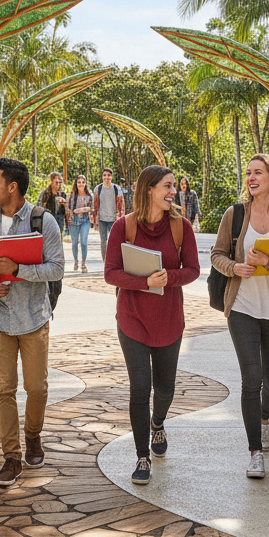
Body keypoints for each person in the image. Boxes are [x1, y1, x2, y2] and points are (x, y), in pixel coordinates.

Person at [0, 157, 65, 487]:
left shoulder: (43, 221)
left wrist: (18, 271)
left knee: (36, 388)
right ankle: (11, 457)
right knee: (3, 390)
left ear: (12, 187)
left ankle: (33, 435)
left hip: (34, 319)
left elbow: (57, 268)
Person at [211, 155, 269, 479]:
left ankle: (263, 419)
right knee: (251, 380)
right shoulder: (235, 215)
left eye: (258, 173)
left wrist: (268, 261)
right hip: (242, 308)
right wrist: (234, 267)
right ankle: (254, 451)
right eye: (248, 172)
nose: (251, 177)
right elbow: (217, 254)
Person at [104, 166, 200, 485]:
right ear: (149, 190)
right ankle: (142, 456)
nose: (173, 191)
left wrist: (168, 278)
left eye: (173, 186)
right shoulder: (124, 226)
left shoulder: (180, 226)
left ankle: (158, 423)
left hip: (170, 320)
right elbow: (110, 273)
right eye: (167, 186)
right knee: (140, 387)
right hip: (132, 319)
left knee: (166, 389)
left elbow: (194, 270)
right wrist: (144, 282)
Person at [94, 167, 126, 259]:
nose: (106, 177)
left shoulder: (116, 189)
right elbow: (95, 206)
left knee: (114, 241)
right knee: (103, 241)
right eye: (104, 175)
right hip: (102, 220)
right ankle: (105, 261)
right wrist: (95, 222)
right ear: (102, 177)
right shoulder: (98, 189)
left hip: (113, 220)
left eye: (108, 175)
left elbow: (121, 206)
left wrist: (121, 219)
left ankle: (114, 259)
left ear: (111, 177)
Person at [67, 174, 94, 272]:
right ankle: (76, 261)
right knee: (74, 243)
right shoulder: (72, 195)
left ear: (85, 184)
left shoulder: (89, 195)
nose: (81, 184)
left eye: (83, 182)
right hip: (74, 221)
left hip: (85, 221)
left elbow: (92, 208)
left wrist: (82, 209)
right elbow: (69, 208)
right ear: (76, 183)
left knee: (83, 242)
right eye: (79, 182)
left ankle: (83, 264)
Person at [37, 172, 68, 237]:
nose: (58, 184)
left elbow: (68, 208)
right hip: (48, 217)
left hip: (60, 218)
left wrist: (64, 203)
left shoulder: (62, 194)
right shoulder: (45, 193)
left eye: (59, 182)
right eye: (56, 182)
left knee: (58, 237)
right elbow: (39, 206)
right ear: (51, 181)